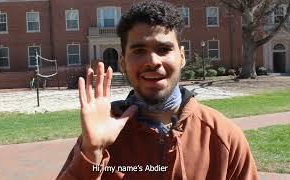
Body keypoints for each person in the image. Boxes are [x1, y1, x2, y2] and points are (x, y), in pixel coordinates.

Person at [57, 1, 258, 179]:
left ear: (182, 57)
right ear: (122, 62)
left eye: (163, 49)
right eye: (138, 51)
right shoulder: (99, 135)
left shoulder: (224, 138)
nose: (153, 61)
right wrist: (92, 153)